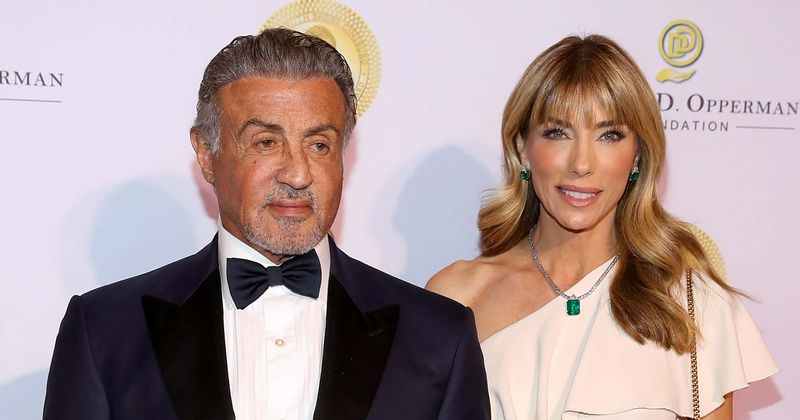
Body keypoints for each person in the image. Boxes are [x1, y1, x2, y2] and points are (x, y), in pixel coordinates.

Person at [44, 28, 489, 420]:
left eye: (319, 144)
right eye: (266, 142)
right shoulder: (105, 332)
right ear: (206, 154)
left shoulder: (438, 337)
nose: (297, 174)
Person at [427, 34, 777, 420]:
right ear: (523, 149)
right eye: (557, 132)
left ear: (637, 156)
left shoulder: (690, 304)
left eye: (609, 135)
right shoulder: (457, 296)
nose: (582, 163)